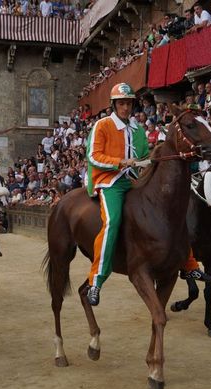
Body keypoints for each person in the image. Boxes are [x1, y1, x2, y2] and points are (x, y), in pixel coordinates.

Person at [85, 83, 149, 306]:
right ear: (114, 105)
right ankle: (96, 281)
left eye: (129, 103)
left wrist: (148, 162)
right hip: (109, 181)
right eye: (121, 103)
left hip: (132, 181)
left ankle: (189, 266)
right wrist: (119, 162)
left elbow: (144, 155)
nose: (125, 107)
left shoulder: (138, 129)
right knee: (112, 222)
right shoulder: (102, 125)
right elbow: (93, 156)